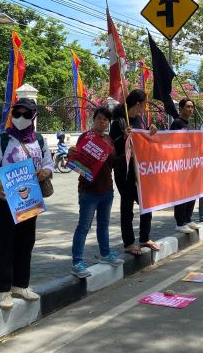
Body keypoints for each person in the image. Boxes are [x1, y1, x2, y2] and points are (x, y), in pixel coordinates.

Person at [0, 97, 55, 309]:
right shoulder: (2, 139)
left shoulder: (38, 140)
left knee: (26, 241)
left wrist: (45, 172)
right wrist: (2, 187)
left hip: (28, 199)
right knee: (4, 243)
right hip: (4, 200)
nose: (20, 118)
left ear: (33, 116)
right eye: (16, 114)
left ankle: (20, 285)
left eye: (25, 114)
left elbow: (49, 162)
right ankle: (3, 289)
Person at [68, 107, 125, 278]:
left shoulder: (108, 140)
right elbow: (78, 163)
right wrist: (71, 154)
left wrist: (128, 149)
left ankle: (105, 254)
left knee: (104, 225)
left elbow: (113, 163)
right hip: (89, 191)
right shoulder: (86, 137)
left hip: (107, 190)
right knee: (84, 227)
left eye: (106, 120)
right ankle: (77, 262)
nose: (103, 122)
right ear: (94, 119)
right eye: (100, 118)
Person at [109, 89, 159, 256]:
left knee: (147, 203)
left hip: (140, 170)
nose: (146, 107)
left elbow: (146, 141)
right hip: (124, 171)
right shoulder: (119, 122)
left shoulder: (141, 120)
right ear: (138, 104)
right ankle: (129, 242)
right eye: (145, 104)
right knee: (127, 206)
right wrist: (123, 137)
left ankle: (144, 237)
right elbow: (112, 147)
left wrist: (151, 130)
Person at [172, 98, 201, 233]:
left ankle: (188, 219)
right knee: (181, 194)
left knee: (191, 193)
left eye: (192, 107)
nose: (190, 109)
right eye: (187, 107)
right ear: (181, 108)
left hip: (191, 165)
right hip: (180, 165)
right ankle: (180, 222)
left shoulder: (190, 125)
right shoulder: (177, 124)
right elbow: (172, 143)